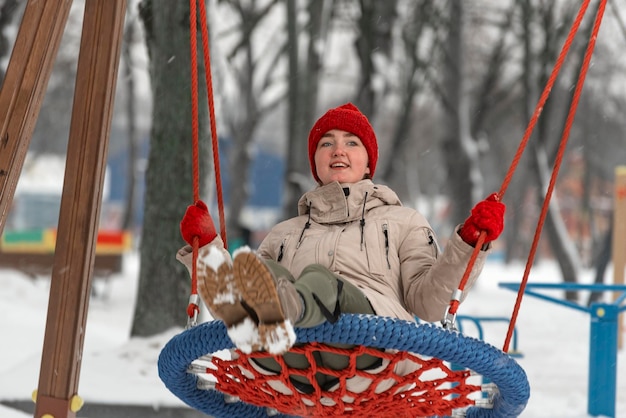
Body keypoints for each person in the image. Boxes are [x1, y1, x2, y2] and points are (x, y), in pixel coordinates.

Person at [177, 102, 505, 397]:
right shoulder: (283, 233)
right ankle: (279, 314)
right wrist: (206, 249)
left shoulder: (404, 221)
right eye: (326, 143)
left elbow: (430, 303)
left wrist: (468, 241)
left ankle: (283, 310)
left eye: (351, 142)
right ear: (315, 163)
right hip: (286, 369)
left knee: (319, 279)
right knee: (260, 273)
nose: (338, 150)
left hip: (373, 357)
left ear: (367, 164)